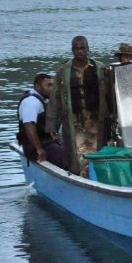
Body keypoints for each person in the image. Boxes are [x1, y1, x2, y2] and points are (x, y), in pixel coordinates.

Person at [45, 36, 114, 177]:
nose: (79, 51)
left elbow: (110, 95)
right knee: (79, 155)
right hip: (75, 121)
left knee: (97, 153)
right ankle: (84, 179)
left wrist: (113, 118)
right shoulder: (64, 71)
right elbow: (55, 99)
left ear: (88, 49)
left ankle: (96, 179)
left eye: (82, 48)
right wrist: (52, 125)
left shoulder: (100, 68)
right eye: (76, 48)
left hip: (96, 121)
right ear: (72, 50)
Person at [17, 73, 66, 168]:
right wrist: (39, 149)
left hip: (47, 141)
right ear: (38, 87)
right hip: (35, 147)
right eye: (48, 85)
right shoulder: (31, 102)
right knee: (67, 158)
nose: (52, 88)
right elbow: (28, 126)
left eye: (52, 85)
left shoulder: (43, 100)